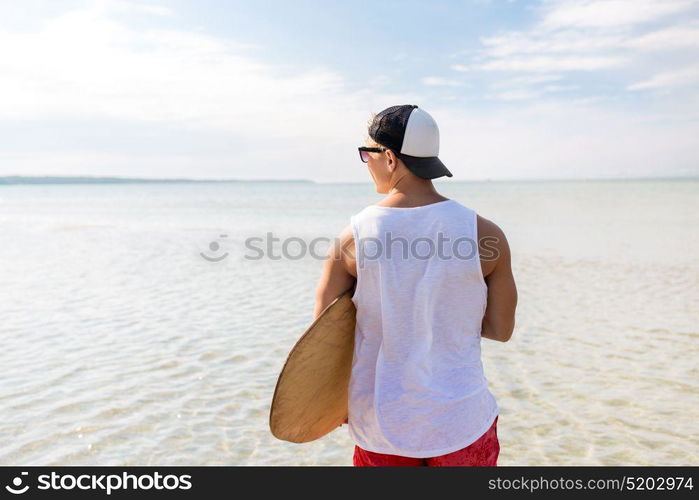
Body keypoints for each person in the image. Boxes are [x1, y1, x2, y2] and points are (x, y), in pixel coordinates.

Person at [313, 104, 517, 467]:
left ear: (389, 158)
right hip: (461, 421)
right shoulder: (487, 234)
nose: (366, 164)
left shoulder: (352, 238)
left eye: (367, 154)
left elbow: (323, 343)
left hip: (381, 423)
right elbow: (500, 330)